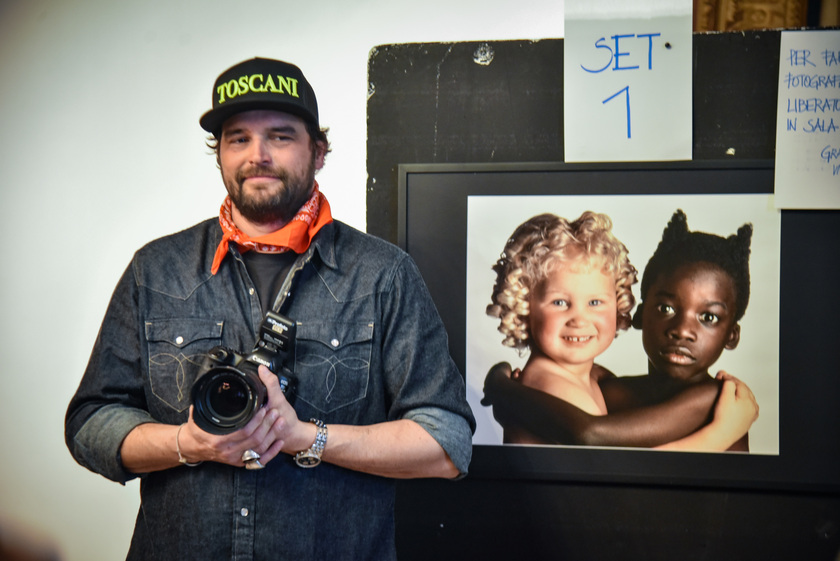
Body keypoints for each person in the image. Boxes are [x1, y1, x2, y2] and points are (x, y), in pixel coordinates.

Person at [65, 57, 475, 560]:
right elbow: (89, 425)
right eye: (238, 138)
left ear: (318, 151)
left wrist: (304, 436)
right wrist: (189, 443)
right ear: (220, 154)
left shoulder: (382, 274)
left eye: (280, 136)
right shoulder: (157, 270)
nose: (257, 155)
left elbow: (447, 442)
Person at [482, 209, 758, 451]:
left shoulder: (714, 398)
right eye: (559, 302)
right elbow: (605, 470)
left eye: (594, 302)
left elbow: (593, 441)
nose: (683, 331)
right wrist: (721, 434)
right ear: (638, 313)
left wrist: (500, 384)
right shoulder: (579, 384)